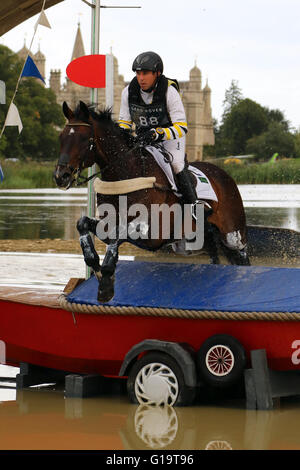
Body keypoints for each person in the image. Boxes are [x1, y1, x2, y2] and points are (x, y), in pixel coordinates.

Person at [118, 51, 199, 211]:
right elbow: (124, 123)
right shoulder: (128, 92)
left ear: (157, 73)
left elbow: (182, 127)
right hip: (143, 138)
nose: (141, 78)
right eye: (138, 73)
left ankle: (193, 207)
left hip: (170, 138)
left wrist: (159, 133)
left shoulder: (169, 92)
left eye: (146, 73)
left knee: (176, 165)